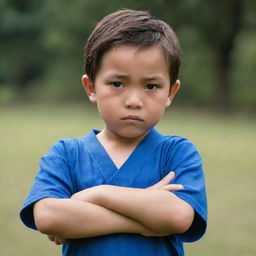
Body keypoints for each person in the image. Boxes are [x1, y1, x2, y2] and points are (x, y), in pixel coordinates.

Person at [20, 9, 207, 256]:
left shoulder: (176, 152)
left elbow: (177, 216)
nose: (133, 101)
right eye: (118, 84)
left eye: (151, 86)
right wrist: (144, 216)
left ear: (170, 92)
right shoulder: (66, 154)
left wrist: (98, 194)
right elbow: (48, 216)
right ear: (91, 87)